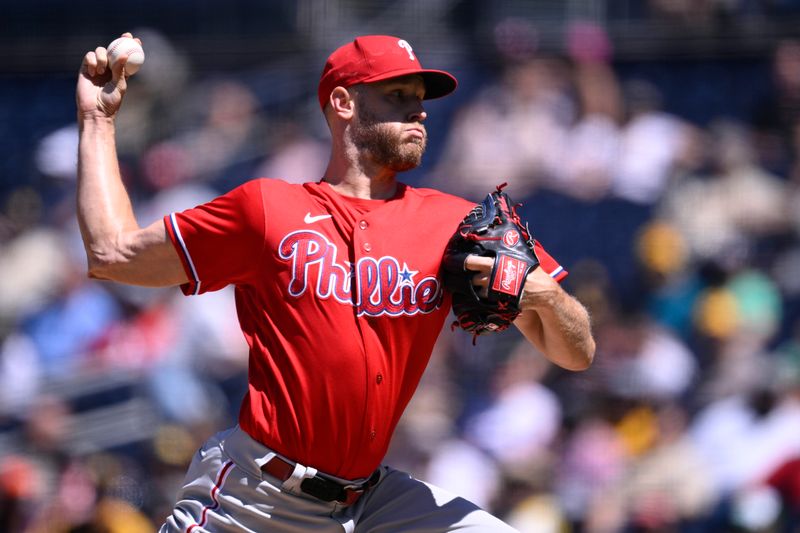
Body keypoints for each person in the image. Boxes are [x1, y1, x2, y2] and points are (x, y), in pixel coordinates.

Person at [76, 32, 595, 533]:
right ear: (343, 102)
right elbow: (113, 253)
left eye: (420, 98)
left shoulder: (454, 225)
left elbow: (578, 354)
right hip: (257, 499)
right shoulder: (267, 209)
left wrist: (547, 296)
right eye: (397, 95)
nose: (418, 110)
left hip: (373, 502)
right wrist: (97, 119)